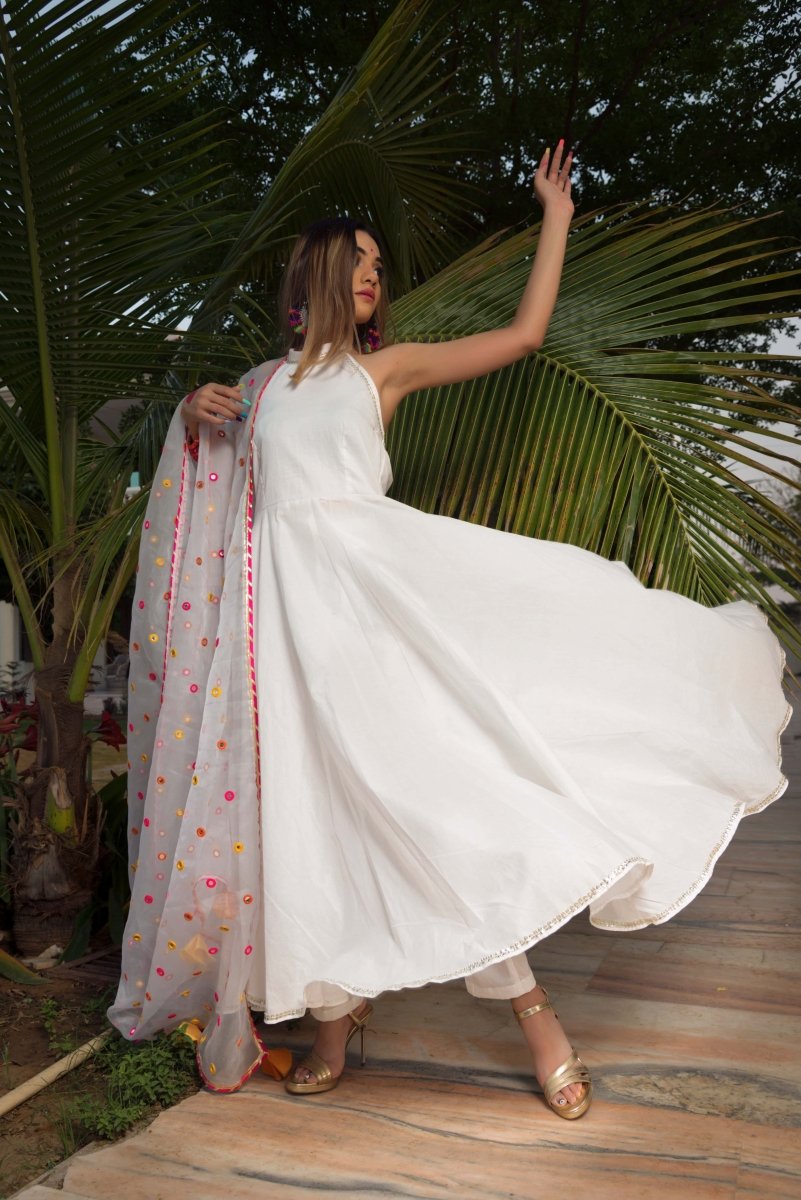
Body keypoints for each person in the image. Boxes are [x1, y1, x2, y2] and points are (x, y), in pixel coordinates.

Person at [109, 143, 788, 1121]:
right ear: (316, 274)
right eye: (358, 260)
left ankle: (537, 1020)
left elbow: (522, 335)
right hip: (280, 645)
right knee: (309, 823)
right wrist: (189, 410)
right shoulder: (255, 391)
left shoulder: (382, 371)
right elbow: (210, 502)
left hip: (376, 618)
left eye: (379, 265)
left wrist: (556, 217)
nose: (374, 275)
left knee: (437, 810)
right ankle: (335, 1020)